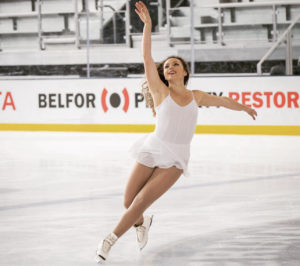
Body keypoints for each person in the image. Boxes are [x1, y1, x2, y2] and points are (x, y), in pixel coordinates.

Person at [95, 1, 258, 263]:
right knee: (129, 202)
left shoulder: (197, 96)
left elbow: (224, 101)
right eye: (167, 66)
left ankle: (108, 240)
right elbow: (147, 58)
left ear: (184, 71)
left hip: (176, 157)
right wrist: (148, 26)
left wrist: (245, 108)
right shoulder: (161, 92)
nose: (170, 67)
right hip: (152, 147)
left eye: (175, 64)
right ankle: (142, 223)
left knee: (138, 203)